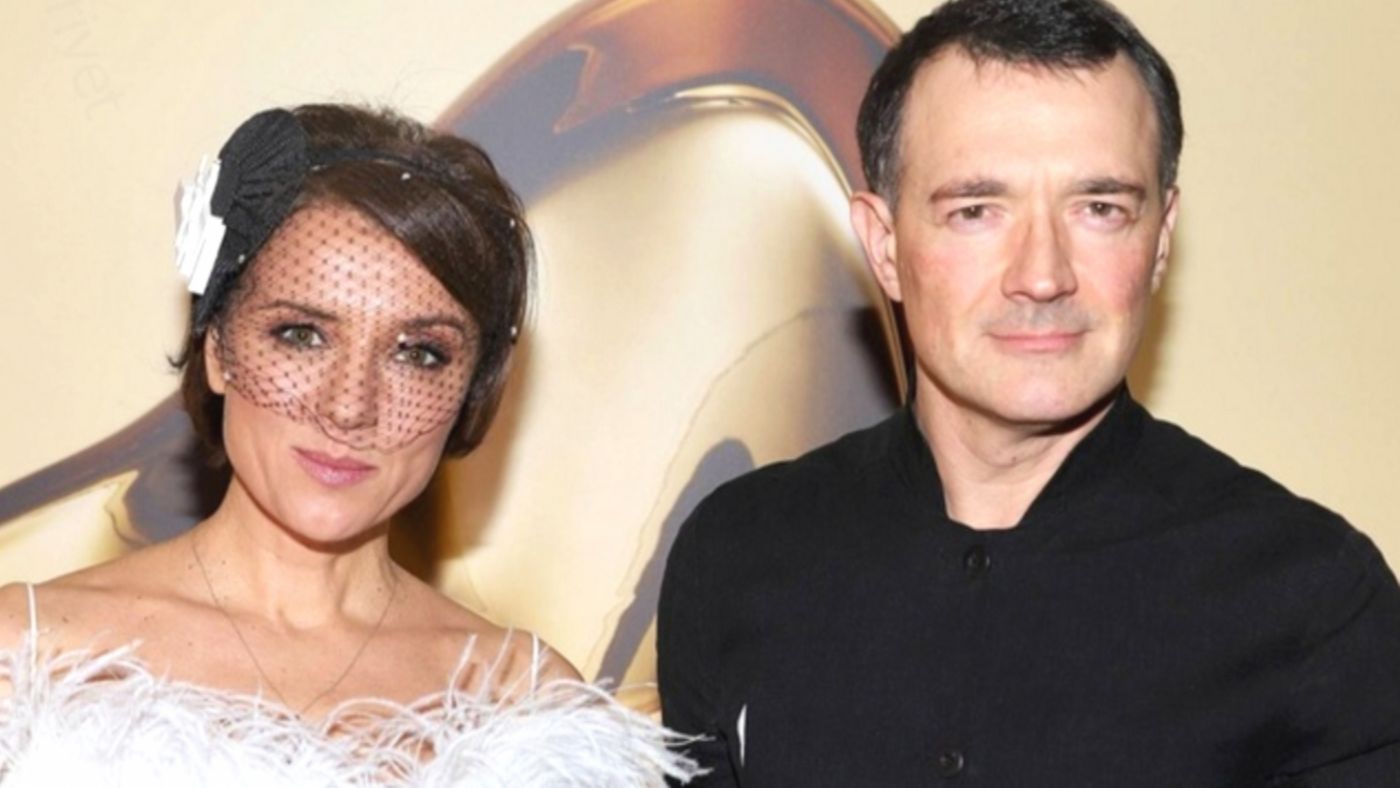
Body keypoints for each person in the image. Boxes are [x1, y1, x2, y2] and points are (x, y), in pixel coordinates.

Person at [656, 0, 1400, 784]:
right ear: (885, 246)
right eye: (976, 211)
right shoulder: (739, 557)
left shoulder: (1311, 599)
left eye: (1100, 209)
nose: (1042, 275)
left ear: (1161, 239)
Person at [0, 104, 700, 786]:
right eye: (301, 335)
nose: (350, 407)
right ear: (217, 349)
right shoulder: (27, 656)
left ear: (470, 390)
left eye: (417, 354)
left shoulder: (530, 708)